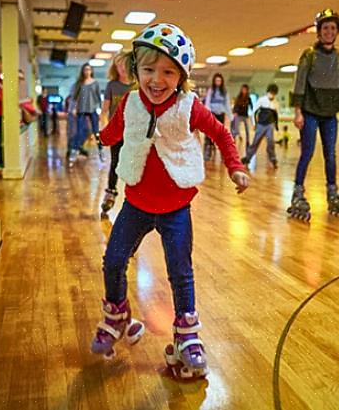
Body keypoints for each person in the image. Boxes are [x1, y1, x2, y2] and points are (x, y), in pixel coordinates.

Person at [90, 23, 250, 379]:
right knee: (114, 261)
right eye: (148, 70)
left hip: (176, 206)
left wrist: (235, 168)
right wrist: (100, 136)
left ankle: (187, 334)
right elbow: (116, 130)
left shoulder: (188, 107)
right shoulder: (130, 102)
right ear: (136, 72)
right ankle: (117, 315)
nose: (157, 80)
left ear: (182, 76)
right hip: (135, 203)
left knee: (180, 271)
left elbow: (221, 134)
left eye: (168, 72)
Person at [289, 8, 339, 221]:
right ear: (319, 31)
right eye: (325, 28)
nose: (329, 31)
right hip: (309, 112)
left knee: (330, 154)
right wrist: (297, 112)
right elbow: (299, 83)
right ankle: (297, 191)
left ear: (337, 31)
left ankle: (332, 192)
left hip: (330, 113)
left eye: (333, 28)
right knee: (307, 152)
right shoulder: (309, 55)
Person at [99, 52, 134, 219]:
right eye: (118, 65)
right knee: (115, 162)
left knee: (135, 164)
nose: (121, 68)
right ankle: (111, 193)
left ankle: (135, 199)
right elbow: (104, 111)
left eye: (123, 64)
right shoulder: (112, 85)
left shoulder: (137, 85)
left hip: (135, 132)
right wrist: (104, 130)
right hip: (117, 131)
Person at [68, 63, 102, 166]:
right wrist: (73, 109)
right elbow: (74, 98)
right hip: (81, 110)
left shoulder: (95, 83)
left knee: (96, 131)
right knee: (79, 131)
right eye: (85, 69)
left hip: (92, 110)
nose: (87, 71)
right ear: (83, 71)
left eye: (89, 69)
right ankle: (74, 151)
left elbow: (98, 98)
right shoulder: (79, 84)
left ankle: (101, 151)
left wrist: (100, 110)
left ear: (91, 71)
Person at [241, 83, 280, 168]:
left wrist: (276, 127)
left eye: (274, 93)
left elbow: (276, 116)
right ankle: (247, 158)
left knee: (270, 143)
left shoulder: (276, 103)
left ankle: (273, 159)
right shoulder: (262, 100)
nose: (272, 95)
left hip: (270, 125)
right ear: (268, 92)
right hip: (261, 125)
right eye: (271, 92)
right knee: (255, 142)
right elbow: (254, 112)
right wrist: (254, 124)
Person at [203, 72, 232, 161]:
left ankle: (223, 154)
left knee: (220, 134)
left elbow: (227, 104)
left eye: (219, 80)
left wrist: (230, 116)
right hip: (212, 114)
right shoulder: (211, 90)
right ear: (214, 81)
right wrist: (207, 113)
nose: (218, 82)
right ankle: (208, 151)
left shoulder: (224, 91)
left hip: (221, 115)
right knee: (209, 133)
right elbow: (207, 102)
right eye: (216, 80)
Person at [232, 84, 253, 154]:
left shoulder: (248, 98)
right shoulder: (239, 97)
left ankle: (247, 141)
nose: (244, 91)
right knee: (236, 128)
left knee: (247, 129)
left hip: (245, 115)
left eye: (245, 89)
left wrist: (252, 111)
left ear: (247, 90)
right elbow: (235, 105)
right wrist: (234, 112)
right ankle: (233, 140)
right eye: (243, 89)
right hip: (238, 115)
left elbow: (251, 106)